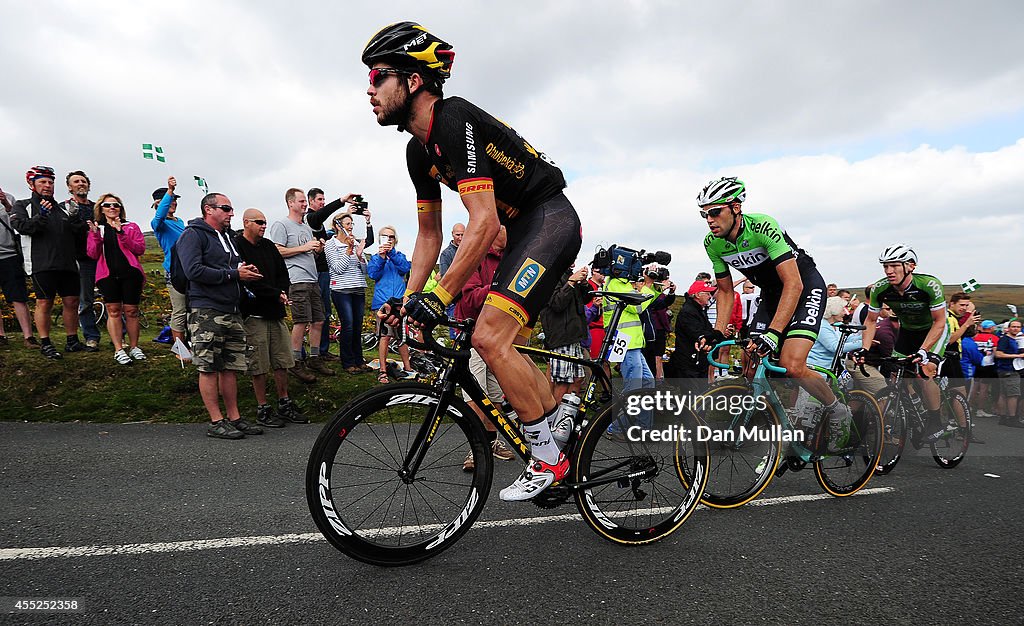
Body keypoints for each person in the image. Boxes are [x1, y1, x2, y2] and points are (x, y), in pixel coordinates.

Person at [364, 22, 582, 501]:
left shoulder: (452, 117)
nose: (370, 89)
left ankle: (549, 458)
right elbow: (428, 234)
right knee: (501, 344)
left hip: (548, 219)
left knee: (488, 336)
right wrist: (409, 299)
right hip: (520, 229)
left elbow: (481, 223)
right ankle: (563, 421)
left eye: (379, 76)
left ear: (413, 80)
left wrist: (439, 297)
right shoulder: (417, 151)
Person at [696, 176, 852, 449]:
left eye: (714, 211)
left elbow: (793, 283)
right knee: (749, 360)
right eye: (704, 214)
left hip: (802, 286)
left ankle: (837, 410)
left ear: (735, 207)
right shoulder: (713, 243)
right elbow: (724, 291)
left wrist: (774, 333)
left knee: (793, 365)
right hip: (772, 294)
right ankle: (779, 422)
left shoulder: (762, 227)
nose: (709, 219)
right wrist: (717, 330)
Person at [175, 193, 264, 440]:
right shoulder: (192, 234)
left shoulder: (227, 237)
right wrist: (234, 275)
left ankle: (234, 418)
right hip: (206, 310)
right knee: (208, 367)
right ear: (208, 209)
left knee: (231, 367)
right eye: (226, 208)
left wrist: (244, 271)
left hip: (231, 309)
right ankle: (216, 420)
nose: (231, 213)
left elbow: (231, 267)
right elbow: (193, 270)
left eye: (231, 209)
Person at [857, 244, 953, 444]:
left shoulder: (929, 285)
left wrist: (924, 351)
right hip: (907, 332)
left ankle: (935, 420)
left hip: (933, 330)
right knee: (896, 375)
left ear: (910, 266)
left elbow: (940, 321)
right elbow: (871, 321)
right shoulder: (880, 288)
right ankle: (915, 411)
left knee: (925, 370)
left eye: (894, 266)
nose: (889, 271)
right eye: (885, 266)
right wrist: (864, 349)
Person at [234, 208, 307, 427]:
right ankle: (262, 407)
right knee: (259, 363)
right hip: (254, 313)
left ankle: (284, 402)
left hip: (275, 312)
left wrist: (282, 291)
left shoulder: (267, 246)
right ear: (247, 222)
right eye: (259, 222)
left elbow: (282, 272)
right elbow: (249, 278)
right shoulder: (238, 246)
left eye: (265, 222)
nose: (263, 226)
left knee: (282, 360)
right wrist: (275, 293)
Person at [453, 226, 516, 471]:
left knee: (496, 396)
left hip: (498, 337)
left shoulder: (509, 258)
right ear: (497, 230)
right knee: (477, 397)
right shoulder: (476, 255)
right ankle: (475, 448)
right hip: (474, 335)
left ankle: (491, 443)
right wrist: (500, 289)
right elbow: (469, 298)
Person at [11, 166, 88, 359]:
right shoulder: (23, 205)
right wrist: (42, 216)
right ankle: (45, 342)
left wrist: (76, 218)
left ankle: (72, 340)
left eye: (51, 182)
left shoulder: (63, 207)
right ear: (31, 184)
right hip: (41, 263)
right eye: (43, 182)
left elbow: (79, 233)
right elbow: (22, 227)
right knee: (44, 302)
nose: (48, 186)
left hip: (68, 263)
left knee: (72, 301)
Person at [268, 188, 334, 381]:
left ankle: (314, 357)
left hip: (312, 278)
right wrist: (305, 247)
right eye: (301, 201)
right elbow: (277, 251)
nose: (305, 204)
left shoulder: (305, 227)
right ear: (290, 203)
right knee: (301, 320)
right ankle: (295, 361)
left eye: (305, 201)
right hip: (296, 279)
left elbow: (309, 253)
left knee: (319, 319)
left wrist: (317, 249)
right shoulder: (281, 224)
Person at [304, 190, 369, 361]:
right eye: (319, 199)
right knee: (322, 315)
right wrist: (341, 201)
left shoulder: (350, 241)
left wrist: (360, 255)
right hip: (323, 275)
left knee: (335, 317)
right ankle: (320, 352)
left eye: (324, 199)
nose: (323, 202)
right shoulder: (311, 219)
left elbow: (364, 267)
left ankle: (332, 352)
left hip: (352, 284)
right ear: (311, 201)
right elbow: (323, 218)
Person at [85, 193, 147, 364]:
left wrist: (121, 233)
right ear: (101, 209)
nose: (112, 207)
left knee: (132, 311)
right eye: (107, 205)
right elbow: (92, 253)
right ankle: (119, 349)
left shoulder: (131, 226)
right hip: (108, 275)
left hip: (130, 274)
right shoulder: (97, 228)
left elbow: (139, 249)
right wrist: (95, 235)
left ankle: (134, 347)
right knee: (113, 311)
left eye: (116, 204)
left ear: (121, 208)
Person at [367, 224, 416, 383]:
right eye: (385, 237)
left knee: (401, 336)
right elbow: (373, 274)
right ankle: (382, 370)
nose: (388, 240)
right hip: (383, 303)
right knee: (385, 336)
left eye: (391, 237)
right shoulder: (375, 258)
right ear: (380, 239)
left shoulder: (399, 255)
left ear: (395, 240)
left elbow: (405, 268)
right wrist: (381, 258)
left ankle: (408, 368)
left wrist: (392, 254)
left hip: (400, 303)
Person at [325, 211, 371, 374]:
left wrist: (359, 256)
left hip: (358, 289)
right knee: (349, 325)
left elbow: (365, 271)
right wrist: (348, 251)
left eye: (352, 224)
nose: (351, 227)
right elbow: (337, 268)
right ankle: (348, 362)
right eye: (347, 224)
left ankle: (359, 360)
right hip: (341, 290)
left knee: (358, 327)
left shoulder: (356, 242)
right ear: (338, 226)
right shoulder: (331, 244)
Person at [538, 264, 591, 401]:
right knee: (562, 382)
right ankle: (555, 419)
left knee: (578, 379)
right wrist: (571, 282)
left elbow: (586, 299)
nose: (573, 261)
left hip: (574, 336)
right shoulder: (549, 275)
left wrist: (584, 283)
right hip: (560, 336)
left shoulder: (568, 274)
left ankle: (568, 416)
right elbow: (557, 303)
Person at [62, 171, 100, 351]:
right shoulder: (64, 208)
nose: (80, 184)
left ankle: (120, 335)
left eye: (83, 181)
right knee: (85, 300)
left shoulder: (98, 207)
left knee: (114, 299)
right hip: (81, 260)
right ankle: (91, 337)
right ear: (70, 187)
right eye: (76, 181)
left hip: (102, 258)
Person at [150, 177, 188, 352]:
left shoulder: (179, 221)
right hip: (173, 271)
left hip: (189, 270)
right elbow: (160, 214)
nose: (173, 202)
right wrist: (169, 191)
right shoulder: (159, 223)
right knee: (179, 309)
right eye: (170, 200)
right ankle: (179, 348)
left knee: (191, 307)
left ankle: (189, 342)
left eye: (175, 200)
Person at [665, 280, 717, 394]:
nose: (710, 296)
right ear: (698, 295)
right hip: (689, 361)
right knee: (691, 394)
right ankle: (690, 411)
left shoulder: (699, 310)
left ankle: (698, 410)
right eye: (707, 293)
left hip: (697, 360)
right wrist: (716, 334)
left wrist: (718, 334)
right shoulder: (688, 312)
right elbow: (697, 333)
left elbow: (706, 331)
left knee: (700, 392)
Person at [0, 187, 35, 347]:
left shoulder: (9, 197)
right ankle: (1, 336)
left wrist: (5, 203)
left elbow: (17, 223)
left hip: (9, 254)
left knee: (18, 297)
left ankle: (28, 336)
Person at [994, 319, 1024, 427]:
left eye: (1018, 327)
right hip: (1008, 369)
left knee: (1004, 393)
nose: (1016, 329)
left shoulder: (1018, 339)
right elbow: (998, 354)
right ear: (1009, 328)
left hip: (1012, 369)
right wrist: (1017, 356)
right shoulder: (1005, 339)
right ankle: (1012, 418)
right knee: (1013, 394)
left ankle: (1003, 417)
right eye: (1014, 326)